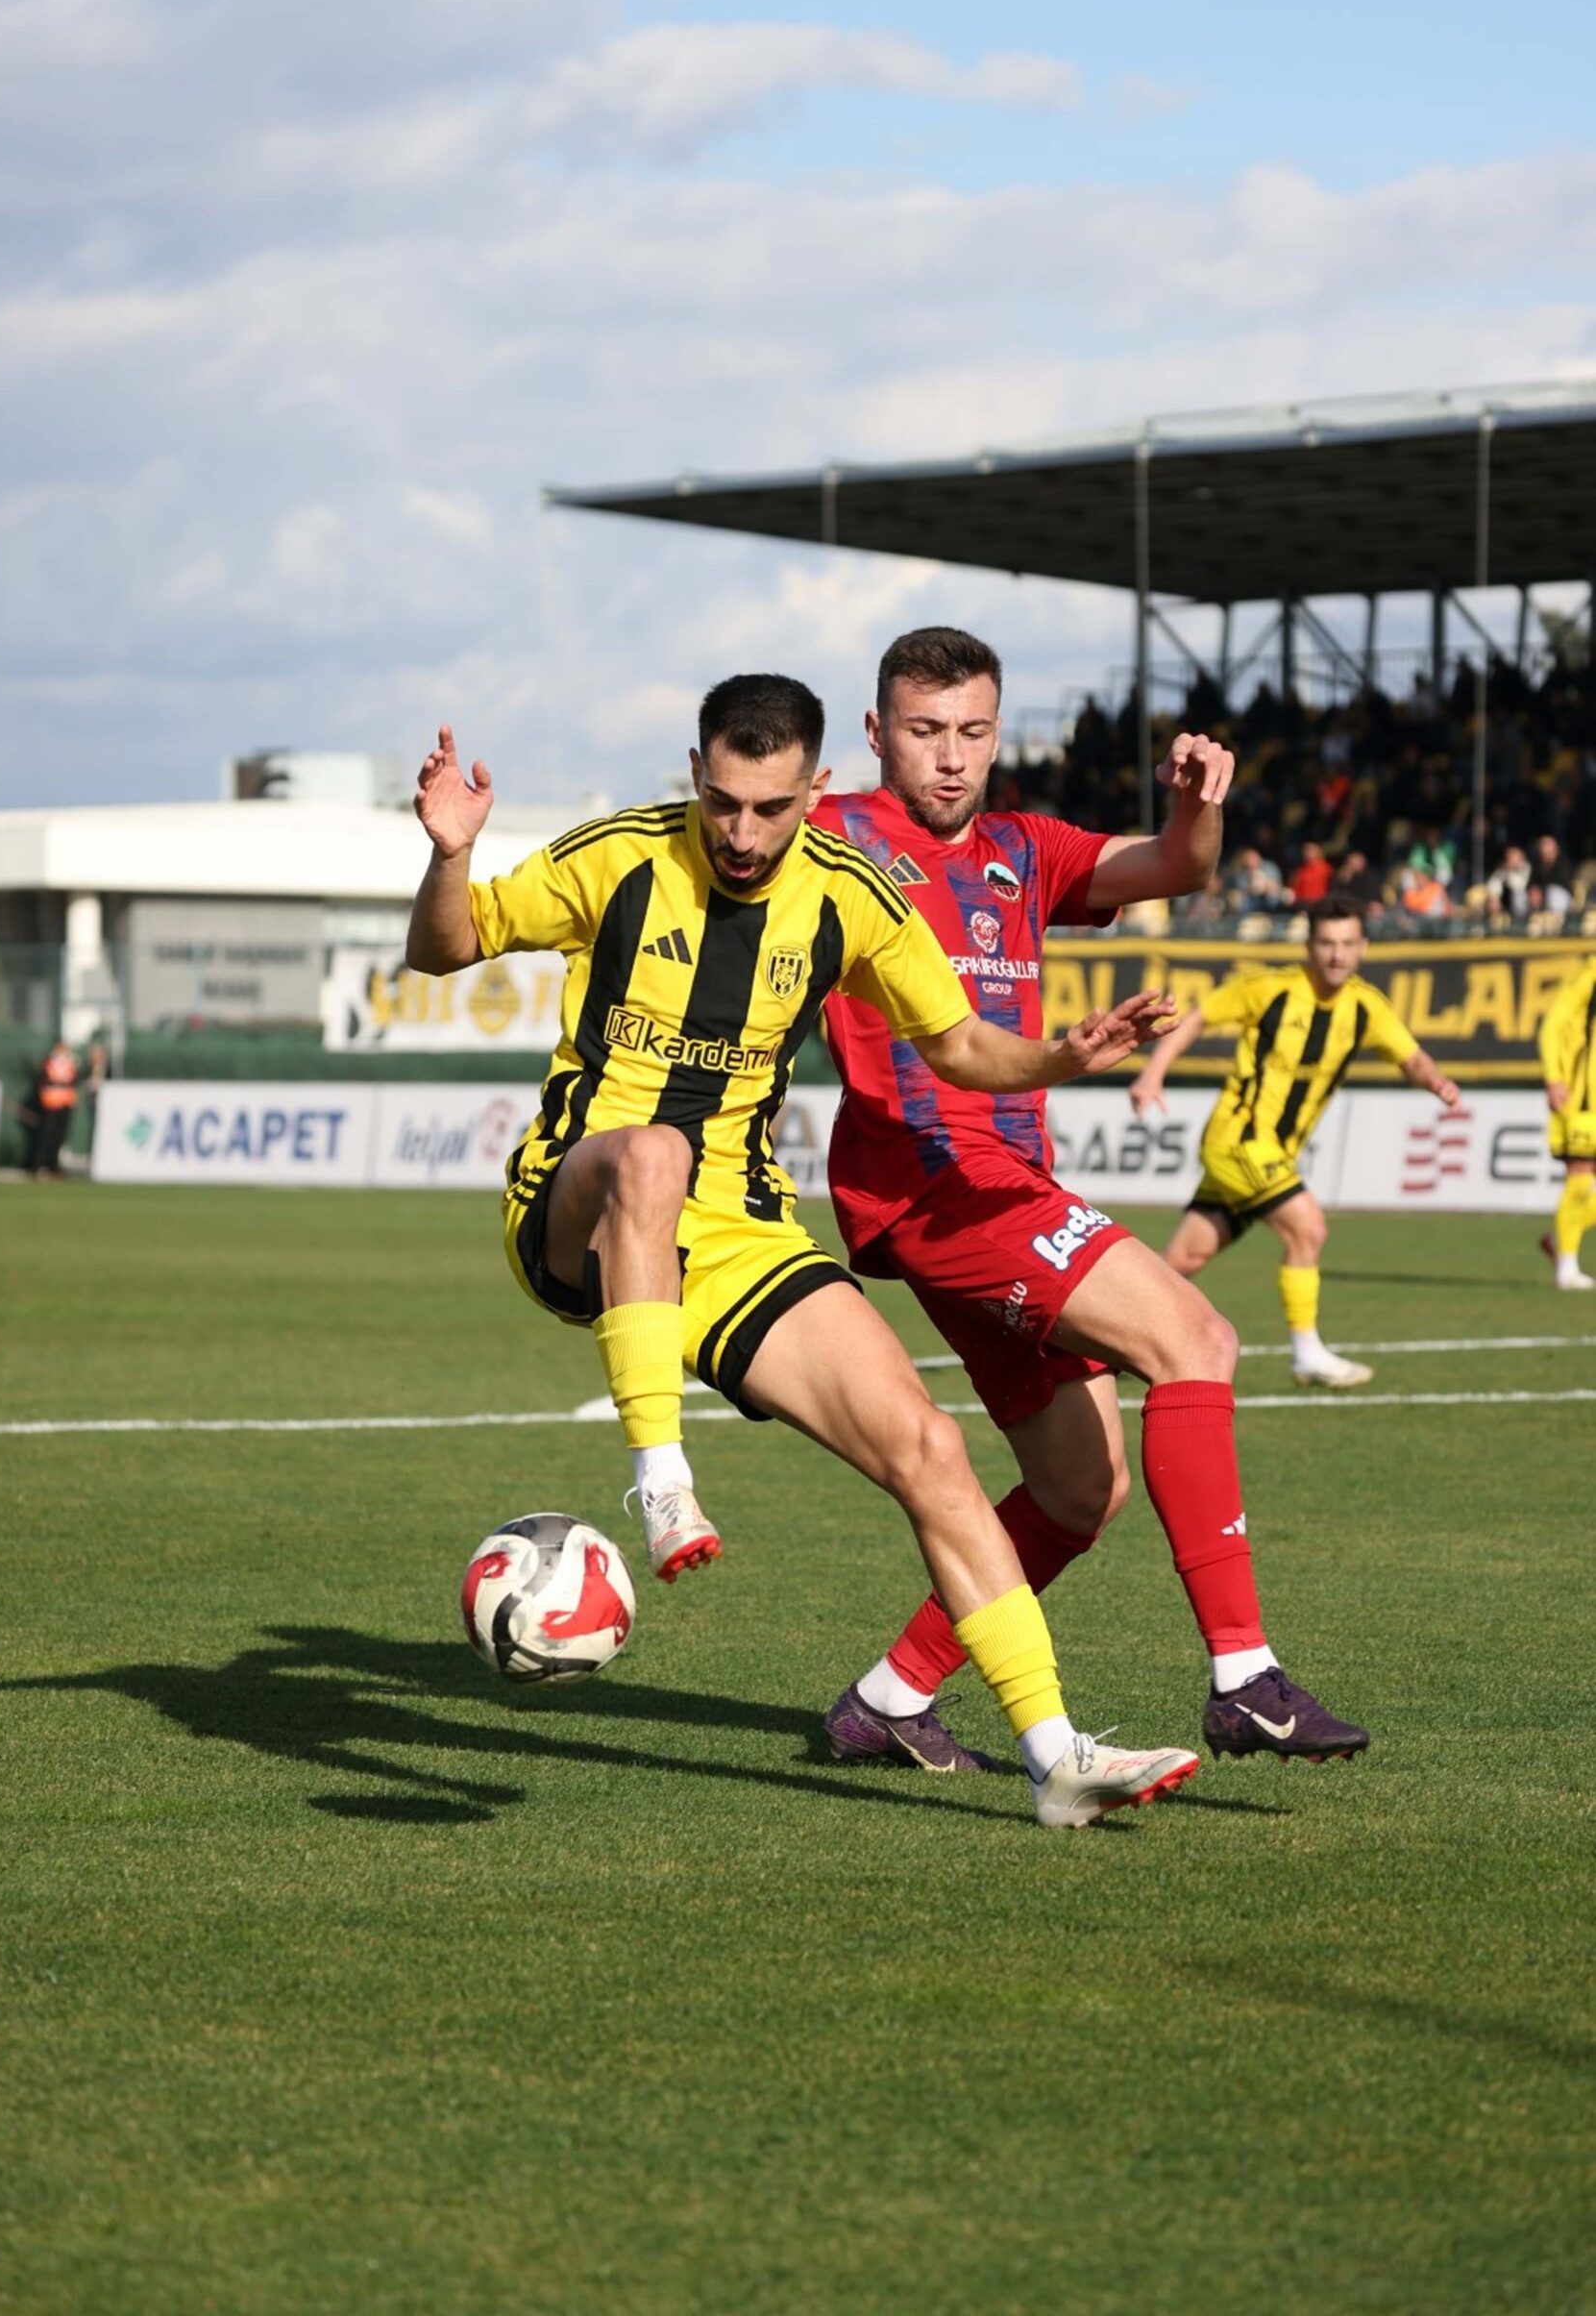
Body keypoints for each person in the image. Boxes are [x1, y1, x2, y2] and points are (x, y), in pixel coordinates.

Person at [406, 678, 1195, 1829]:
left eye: (771, 808)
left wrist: (1063, 1058)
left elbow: (962, 1046)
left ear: (816, 790)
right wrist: (449, 857)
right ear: (695, 773)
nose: (742, 832)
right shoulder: (618, 856)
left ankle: (1054, 1756)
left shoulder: (850, 894)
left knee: (930, 1450)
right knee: (655, 1155)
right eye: (723, 802)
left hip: (738, 1232)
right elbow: (445, 946)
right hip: (579, 1203)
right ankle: (661, 1481)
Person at [817, 627, 1369, 1778]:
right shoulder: (833, 835)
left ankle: (889, 1698)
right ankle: (1245, 1677)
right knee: (1196, 1336)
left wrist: (1198, 803)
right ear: (876, 734)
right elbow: (723, 845)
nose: (950, 756)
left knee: (1081, 1490)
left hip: (1003, 1184)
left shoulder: (1024, 847)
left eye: (972, 731)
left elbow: (1176, 865)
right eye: (924, 731)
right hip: (934, 1181)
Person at [1132, 896, 1461, 1386]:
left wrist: (1435, 1081)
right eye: (1326, 943)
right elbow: (1198, 1016)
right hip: (1239, 1142)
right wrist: (1152, 1073)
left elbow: (1410, 1057)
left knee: (1183, 1260)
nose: (1337, 954)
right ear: (1309, 945)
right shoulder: (1271, 990)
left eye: (1347, 944)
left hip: (1270, 1154)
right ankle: (1306, 1353)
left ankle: (1098, 1342)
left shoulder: (1366, 1006)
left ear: (1363, 947)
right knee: (1307, 1229)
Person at [1536, 952, 1596, 1292]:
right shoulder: (1589, 974)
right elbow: (1552, 1026)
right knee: (1580, 1177)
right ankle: (1567, 1268)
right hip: (1583, 1097)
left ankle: (1563, 1239)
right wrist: (1554, 1077)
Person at [30, 1038, 80, 1177]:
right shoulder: (49, 1061)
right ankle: (39, 1164)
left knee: (59, 1136)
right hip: (51, 1102)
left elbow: (75, 1079)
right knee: (46, 1134)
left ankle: (53, 1165)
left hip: (66, 1102)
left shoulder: (71, 1062)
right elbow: (43, 1079)